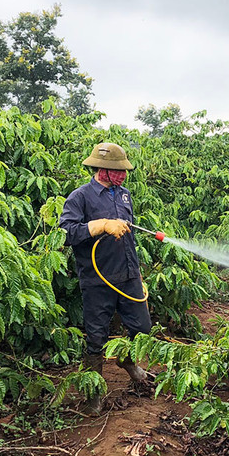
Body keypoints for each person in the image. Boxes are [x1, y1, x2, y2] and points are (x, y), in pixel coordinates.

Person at [59, 142, 151, 414]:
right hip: (97, 279)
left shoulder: (124, 195)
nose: (122, 176)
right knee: (96, 338)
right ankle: (94, 393)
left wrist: (137, 271)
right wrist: (99, 225)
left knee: (142, 328)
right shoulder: (81, 197)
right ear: (102, 169)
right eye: (117, 171)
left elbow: (130, 236)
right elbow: (66, 233)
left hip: (128, 274)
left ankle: (127, 361)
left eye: (124, 172)